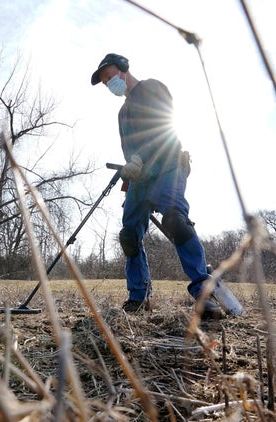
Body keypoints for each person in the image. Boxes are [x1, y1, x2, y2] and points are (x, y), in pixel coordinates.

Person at [90, 53, 223, 319]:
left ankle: (204, 293)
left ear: (124, 69)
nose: (108, 83)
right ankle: (139, 297)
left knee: (175, 221)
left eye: (109, 76)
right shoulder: (122, 113)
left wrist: (141, 157)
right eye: (104, 81)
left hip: (168, 167)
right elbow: (130, 152)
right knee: (129, 236)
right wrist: (130, 172)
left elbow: (165, 130)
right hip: (140, 179)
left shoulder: (152, 88)